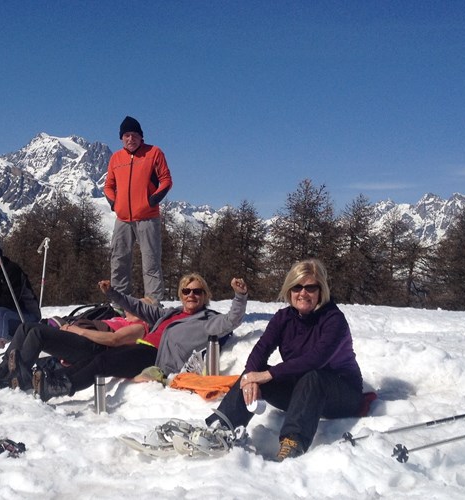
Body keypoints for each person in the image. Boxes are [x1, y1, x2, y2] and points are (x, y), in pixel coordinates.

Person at [205, 258, 364, 462]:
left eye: (310, 288)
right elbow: (261, 350)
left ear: (321, 291)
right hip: (303, 393)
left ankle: (292, 442)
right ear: (289, 290)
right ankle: (221, 427)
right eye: (297, 287)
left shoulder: (334, 320)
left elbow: (315, 360)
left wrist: (267, 374)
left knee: (313, 376)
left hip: (342, 393)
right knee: (252, 373)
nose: (303, 293)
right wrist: (252, 377)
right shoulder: (283, 318)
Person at [27, 273, 248, 402]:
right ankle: (55, 382)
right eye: (186, 291)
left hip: (155, 358)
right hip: (141, 348)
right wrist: (113, 294)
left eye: (197, 292)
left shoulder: (208, 320)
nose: (191, 295)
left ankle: (60, 387)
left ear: (205, 296)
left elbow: (232, 320)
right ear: (181, 295)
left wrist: (240, 296)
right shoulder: (170, 313)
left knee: (103, 363)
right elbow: (138, 307)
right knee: (92, 360)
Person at [0, 298, 152, 389]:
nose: (131, 308)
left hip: (93, 348)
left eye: (137, 307)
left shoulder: (140, 326)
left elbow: (114, 340)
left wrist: (77, 330)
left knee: (38, 334)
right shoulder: (120, 318)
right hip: (83, 340)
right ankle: (2, 372)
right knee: (25, 327)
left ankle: (18, 377)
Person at [104, 116, 173, 304]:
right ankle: (119, 303)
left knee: (150, 262)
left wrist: (152, 201)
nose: (130, 139)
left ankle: (153, 303)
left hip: (148, 218)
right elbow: (108, 185)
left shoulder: (154, 152)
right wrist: (115, 204)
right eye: (126, 135)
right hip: (123, 219)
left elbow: (166, 180)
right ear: (121, 138)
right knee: (118, 261)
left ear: (141, 137)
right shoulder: (116, 158)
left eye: (134, 135)